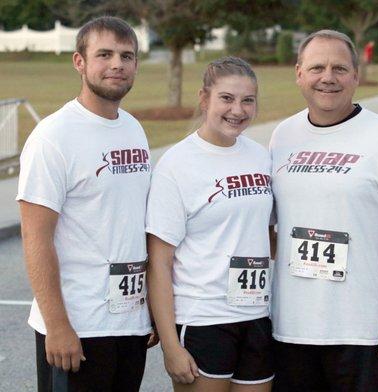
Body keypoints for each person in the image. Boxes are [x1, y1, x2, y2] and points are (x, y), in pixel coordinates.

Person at [268, 30, 378, 392]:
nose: (328, 77)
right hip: (291, 329)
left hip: (364, 332)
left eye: (339, 68)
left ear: (356, 75)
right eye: (317, 68)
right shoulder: (282, 136)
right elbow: (269, 226)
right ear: (299, 73)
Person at [17, 16, 155, 391]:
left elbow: (133, 224)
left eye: (127, 56)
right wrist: (57, 326)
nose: (117, 65)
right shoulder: (53, 136)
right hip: (78, 328)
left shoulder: (132, 128)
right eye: (105, 54)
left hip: (129, 321)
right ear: (80, 62)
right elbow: (35, 238)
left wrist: (151, 309)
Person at [146, 57, 274, 392]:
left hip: (256, 316)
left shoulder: (261, 156)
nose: (238, 110)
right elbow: (159, 262)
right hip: (204, 319)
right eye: (227, 99)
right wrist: (171, 346)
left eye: (248, 100)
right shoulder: (176, 165)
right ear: (205, 99)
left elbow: (267, 233)